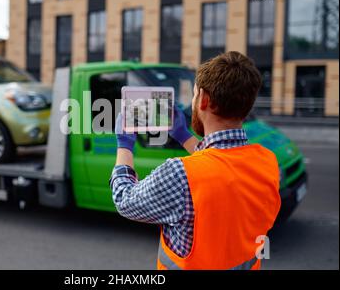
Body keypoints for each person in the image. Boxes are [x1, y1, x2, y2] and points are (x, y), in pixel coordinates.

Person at [110, 51, 281, 270]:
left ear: (204, 99)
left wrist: (124, 144)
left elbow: (125, 200)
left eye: (193, 95)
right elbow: (219, 165)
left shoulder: (179, 173)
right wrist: (183, 136)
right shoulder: (267, 162)